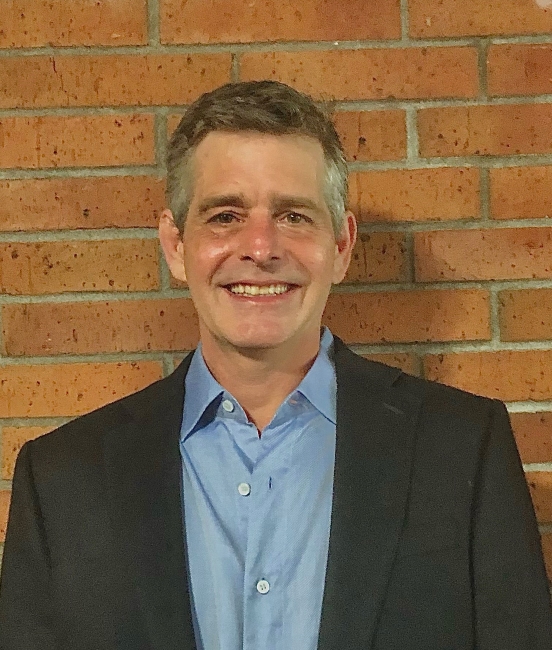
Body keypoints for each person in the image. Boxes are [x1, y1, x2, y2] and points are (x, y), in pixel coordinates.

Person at [0, 80, 550, 650]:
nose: (261, 248)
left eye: (293, 216)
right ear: (175, 245)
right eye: (225, 216)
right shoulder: (64, 479)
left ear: (341, 246)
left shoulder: (461, 449)